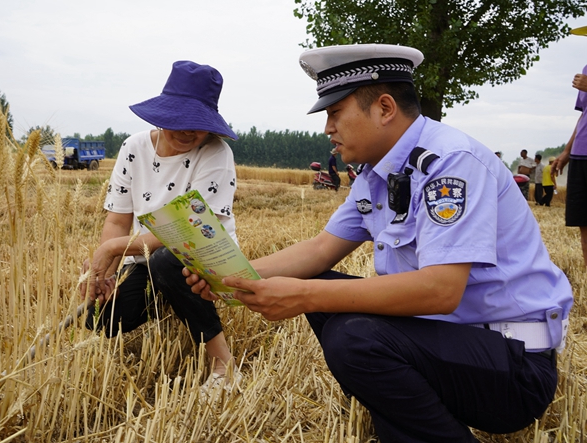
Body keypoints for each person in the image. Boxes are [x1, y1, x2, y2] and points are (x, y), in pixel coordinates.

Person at [186, 44, 572, 442]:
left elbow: (440, 291)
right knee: (330, 298)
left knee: (354, 336)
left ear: (385, 108)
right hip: (455, 341)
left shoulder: (449, 163)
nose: (327, 129)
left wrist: (303, 295)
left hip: (513, 362)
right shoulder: (377, 174)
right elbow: (320, 250)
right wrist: (229, 276)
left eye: (335, 113)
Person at [80, 60, 242, 396]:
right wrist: (107, 274)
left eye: (196, 124)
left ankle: (223, 365)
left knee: (168, 261)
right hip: (144, 257)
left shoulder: (216, 153)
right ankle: (171, 298)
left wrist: (113, 250)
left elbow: (191, 229)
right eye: (179, 121)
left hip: (209, 256)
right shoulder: (134, 148)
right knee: (101, 317)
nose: (187, 131)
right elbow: (117, 219)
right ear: (163, 114)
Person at [553, 47, 587, 265]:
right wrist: (566, 151)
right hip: (580, 154)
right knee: (583, 216)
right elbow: (584, 114)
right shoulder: (586, 70)